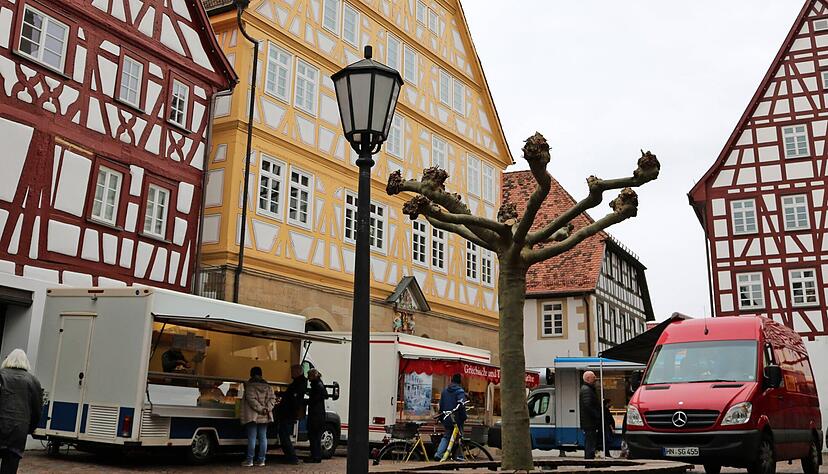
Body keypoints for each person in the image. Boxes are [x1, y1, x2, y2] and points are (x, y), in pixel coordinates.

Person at [0, 349, 43, 474]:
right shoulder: (33, 381)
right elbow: (37, 410)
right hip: (19, 430)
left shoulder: (1, 375)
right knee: (10, 465)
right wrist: (30, 429)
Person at [240, 367, 277, 467]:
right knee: (263, 438)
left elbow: (251, 401)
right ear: (261, 374)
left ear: (251, 374)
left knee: (252, 438)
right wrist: (267, 409)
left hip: (252, 416)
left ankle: (250, 460)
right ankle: (261, 460)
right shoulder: (268, 386)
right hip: (265, 416)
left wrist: (260, 409)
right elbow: (273, 399)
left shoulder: (250, 387)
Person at [275, 365, 306, 465]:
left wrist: (284, 398)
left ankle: (292, 457)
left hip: (288, 413)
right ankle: (290, 457)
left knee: (284, 435)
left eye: (292, 371)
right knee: (284, 434)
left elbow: (293, 398)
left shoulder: (298, 384)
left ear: (298, 372)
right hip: (289, 412)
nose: (291, 373)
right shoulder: (299, 382)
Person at [434, 374, 467, 461]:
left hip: (447, 417)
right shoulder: (460, 391)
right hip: (457, 418)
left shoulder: (445, 391)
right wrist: (464, 417)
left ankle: (439, 454)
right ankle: (459, 456)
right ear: (460, 381)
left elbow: (441, 406)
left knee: (447, 436)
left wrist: (442, 417)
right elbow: (462, 405)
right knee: (459, 436)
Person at [306, 369, 328, 463]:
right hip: (319, 415)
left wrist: (306, 400)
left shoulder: (316, 386)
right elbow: (325, 395)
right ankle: (316, 455)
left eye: (309, 376)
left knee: (313, 436)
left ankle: (315, 456)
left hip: (315, 415)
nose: (308, 378)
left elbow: (314, 400)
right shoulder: (320, 384)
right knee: (317, 436)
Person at [579, 370, 601, 460]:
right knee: (590, 443)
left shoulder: (587, 389)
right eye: (593, 377)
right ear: (588, 379)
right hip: (589, 422)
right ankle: (589, 462)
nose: (595, 378)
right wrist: (597, 415)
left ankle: (590, 460)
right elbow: (588, 405)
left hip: (589, 422)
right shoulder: (587, 390)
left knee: (590, 442)